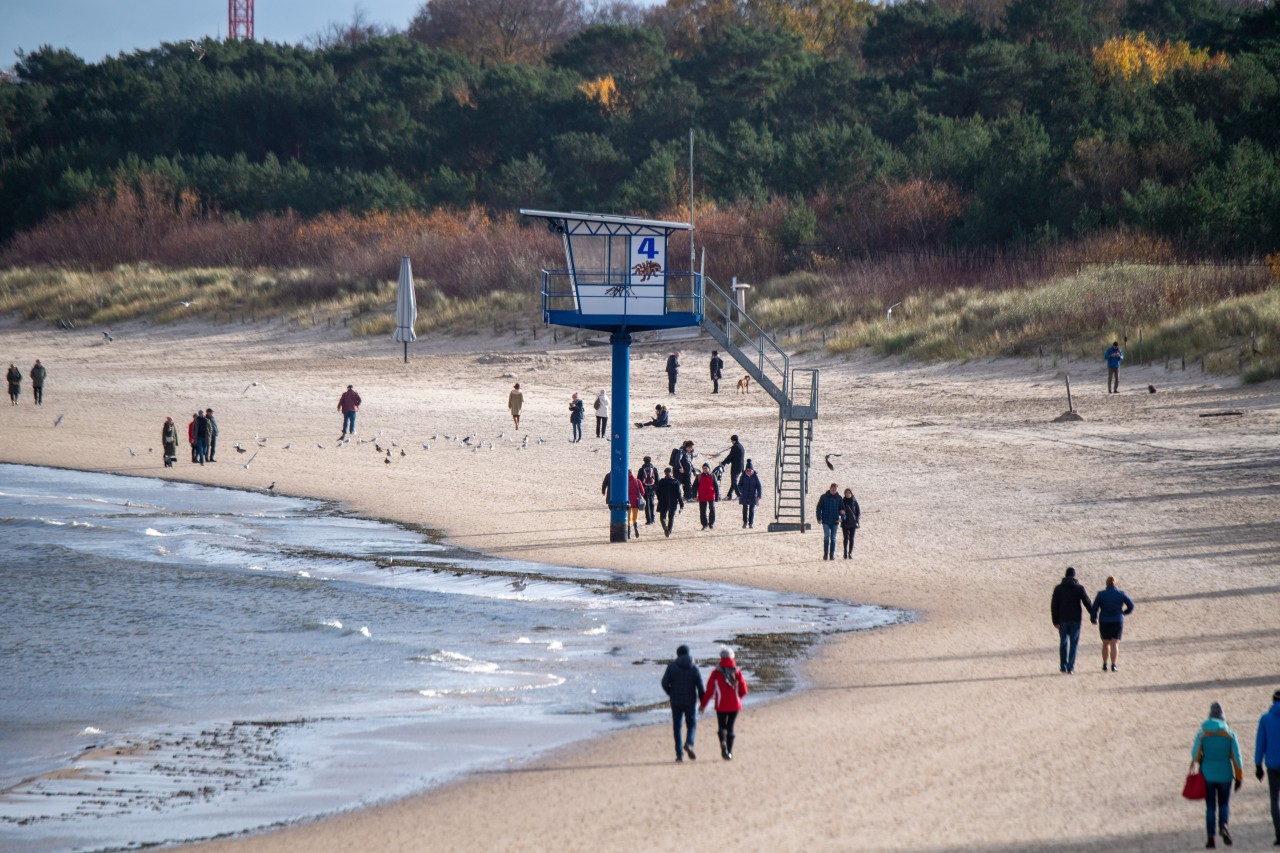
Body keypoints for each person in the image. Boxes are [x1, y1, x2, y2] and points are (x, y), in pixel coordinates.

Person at [1193, 701, 1243, 849]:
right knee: (1223, 804)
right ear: (1223, 717)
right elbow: (1237, 758)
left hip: (1207, 775)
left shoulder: (1202, 734)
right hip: (1225, 775)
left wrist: (1202, 760)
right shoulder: (1230, 734)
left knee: (1210, 807)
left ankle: (1210, 839)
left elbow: (1195, 754)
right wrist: (1239, 777)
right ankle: (1224, 824)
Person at [700, 645, 748, 760]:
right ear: (732, 658)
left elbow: (710, 691)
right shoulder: (737, 672)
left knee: (722, 727)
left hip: (720, 705)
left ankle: (723, 742)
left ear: (721, 658)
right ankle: (729, 753)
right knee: (730, 728)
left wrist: (703, 705)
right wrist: (738, 699)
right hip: (735, 705)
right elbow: (744, 690)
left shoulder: (716, 673)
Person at [660, 644, 704, 762]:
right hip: (690, 701)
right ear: (688, 654)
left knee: (677, 727)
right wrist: (703, 702)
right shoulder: (693, 667)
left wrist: (670, 692)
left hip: (676, 701)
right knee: (691, 724)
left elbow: (664, 683)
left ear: (678, 654)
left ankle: (679, 755)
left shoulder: (672, 667)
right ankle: (689, 743)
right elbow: (700, 686)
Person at [1050, 567, 1092, 674]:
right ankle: (1070, 667)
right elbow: (1087, 602)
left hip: (1062, 620)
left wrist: (1055, 621)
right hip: (1075, 620)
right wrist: (1093, 614)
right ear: (1074, 576)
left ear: (1065, 575)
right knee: (1074, 644)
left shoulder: (1058, 588)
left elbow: (1054, 606)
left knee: (1063, 643)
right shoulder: (1079, 588)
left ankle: (1063, 666)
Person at [1090, 575, 1134, 671]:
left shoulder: (1101, 594)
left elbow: (1094, 608)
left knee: (1105, 643)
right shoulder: (1121, 593)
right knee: (1115, 643)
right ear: (1115, 583)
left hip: (1104, 621)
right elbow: (1131, 605)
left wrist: (1093, 618)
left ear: (1106, 584)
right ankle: (1113, 665)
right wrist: (1124, 613)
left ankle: (1105, 664)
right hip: (1117, 620)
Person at [1256, 688, 1280, 846]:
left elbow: (1260, 744)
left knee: (1274, 801)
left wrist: (1258, 765)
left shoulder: (1265, 719)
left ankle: (1279, 834)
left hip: (1272, 766)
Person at [815, 482, 843, 561]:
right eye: (833, 489)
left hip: (835, 521)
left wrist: (842, 518)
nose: (834, 491)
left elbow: (843, 510)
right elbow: (818, 508)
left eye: (835, 490)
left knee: (833, 538)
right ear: (830, 488)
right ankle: (825, 554)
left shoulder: (839, 498)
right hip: (826, 521)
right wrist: (819, 518)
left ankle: (832, 555)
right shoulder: (823, 497)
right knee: (827, 537)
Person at [655, 466, 684, 538]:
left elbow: (657, 492)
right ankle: (669, 530)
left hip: (663, 501)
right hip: (673, 502)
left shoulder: (661, 481)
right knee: (671, 517)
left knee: (662, 517)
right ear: (671, 473)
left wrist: (659, 498)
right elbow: (679, 494)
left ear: (665, 473)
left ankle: (665, 526)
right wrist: (681, 504)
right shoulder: (676, 482)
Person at [737, 461, 763, 529]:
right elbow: (739, 485)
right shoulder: (743, 476)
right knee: (745, 509)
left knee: (751, 509)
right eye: (747, 470)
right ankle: (745, 522)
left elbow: (759, 486)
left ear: (752, 470)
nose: (748, 471)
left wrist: (759, 495)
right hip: (744, 495)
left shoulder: (755, 476)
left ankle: (750, 523)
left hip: (753, 495)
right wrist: (742, 491)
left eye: (750, 470)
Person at [694, 463, 719, 530]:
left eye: (706, 468)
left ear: (709, 469)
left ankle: (711, 524)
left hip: (711, 495)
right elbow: (694, 486)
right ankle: (704, 525)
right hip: (702, 496)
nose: (705, 469)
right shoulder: (699, 476)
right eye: (703, 468)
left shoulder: (713, 476)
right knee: (702, 511)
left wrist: (717, 496)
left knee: (712, 509)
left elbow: (716, 486)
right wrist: (694, 495)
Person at [720, 435, 745, 501]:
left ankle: (739, 495)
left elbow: (730, 456)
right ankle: (729, 495)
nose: (731, 441)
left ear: (733, 440)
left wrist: (723, 463)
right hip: (741, 467)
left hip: (736, 467)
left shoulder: (735, 447)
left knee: (734, 481)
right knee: (734, 481)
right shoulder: (741, 446)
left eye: (731, 440)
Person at [839, 487, 861, 559]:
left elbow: (858, 512)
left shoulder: (854, 501)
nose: (848, 494)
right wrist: (840, 514)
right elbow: (839, 509)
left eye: (849, 493)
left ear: (851, 493)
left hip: (853, 523)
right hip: (845, 522)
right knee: (845, 538)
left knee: (851, 538)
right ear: (845, 494)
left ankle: (850, 553)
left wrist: (857, 520)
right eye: (846, 493)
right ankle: (845, 552)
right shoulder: (843, 501)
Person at [638, 456, 659, 526]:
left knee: (646, 504)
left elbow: (639, 480)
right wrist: (656, 488)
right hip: (652, 488)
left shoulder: (641, 470)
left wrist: (640, 490)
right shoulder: (654, 469)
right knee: (652, 503)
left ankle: (648, 520)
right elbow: (657, 480)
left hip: (644, 488)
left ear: (644, 461)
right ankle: (653, 519)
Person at [627, 469, 643, 539]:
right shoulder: (637, 481)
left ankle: (628, 534)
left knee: (628, 517)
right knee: (635, 517)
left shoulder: (625, 481)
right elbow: (642, 491)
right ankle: (636, 529)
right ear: (632, 473)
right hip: (636, 501)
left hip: (627, 501)